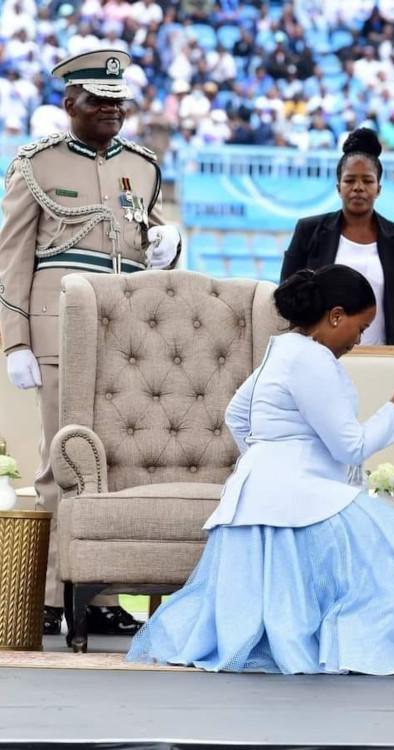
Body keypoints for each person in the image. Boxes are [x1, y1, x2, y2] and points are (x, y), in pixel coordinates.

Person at [126, 265, 394, 674]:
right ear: (335, 315)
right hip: (300, 502)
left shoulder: (283, 350)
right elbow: (351, 446)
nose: (358, 341)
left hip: (255, 502)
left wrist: (265, 464)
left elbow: (237, 416)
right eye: (359, 328)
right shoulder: (312, 359)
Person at [0, 50, 181, 638]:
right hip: (55, 332)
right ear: (69, 103)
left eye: (118, 102)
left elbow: (141, 241)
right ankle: (55, 596)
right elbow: (10, 261)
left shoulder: (142, 166)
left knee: (115, 466)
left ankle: (98, 594)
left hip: (122, 337)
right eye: (98, 101)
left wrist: (168, 245)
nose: (111, 111)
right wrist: (14, 342)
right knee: (62, 466)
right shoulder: (35, 165)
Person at [280, 128, 394, 345]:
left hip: (384, 358)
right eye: (350, 180)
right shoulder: (308, 231)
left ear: (378, 188)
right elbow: (287, 294)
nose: (358, 188)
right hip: (318, 352)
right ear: (338, 188)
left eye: (367, 181)